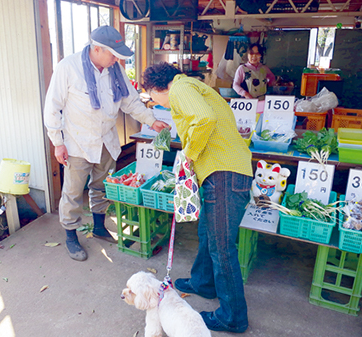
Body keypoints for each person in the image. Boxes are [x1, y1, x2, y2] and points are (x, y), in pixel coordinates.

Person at [142, 62, 253, 333]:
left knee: (221, 247)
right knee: (208, 233)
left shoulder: (180, 88)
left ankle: (233, 316)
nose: (153, 102)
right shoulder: (192, 86)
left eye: (150, 96)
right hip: (221, 172)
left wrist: (188, 156)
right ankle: (203, 281)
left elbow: (204, 119)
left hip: (225, 173)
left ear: (158, 88)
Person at [44, 26, 169, 262]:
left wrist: (152, 122)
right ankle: (71, 235)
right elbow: (52, 107)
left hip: (106, 141)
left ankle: (100, 227)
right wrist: (57, 143)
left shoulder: (115, 70)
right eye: (113, 54)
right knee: (72, 191)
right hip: (78, 142)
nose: (117, 59)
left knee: (101, 186)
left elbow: (131, 102)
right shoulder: (68, 67)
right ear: (97, 48)